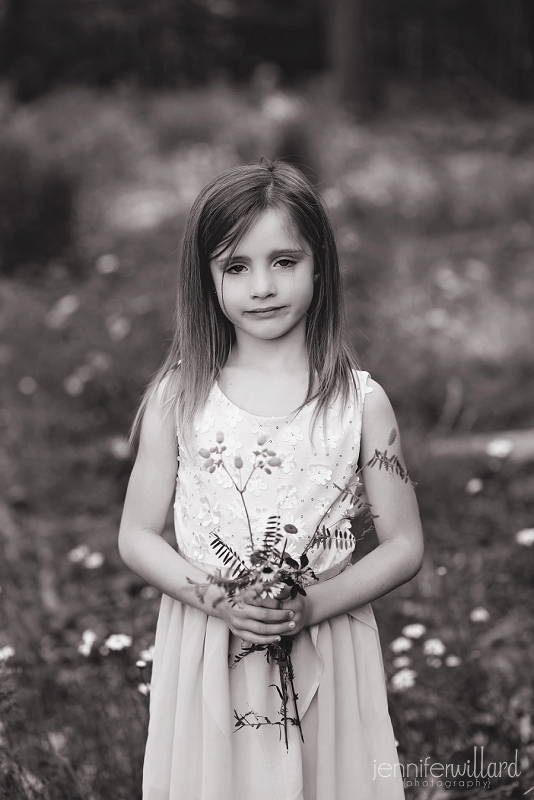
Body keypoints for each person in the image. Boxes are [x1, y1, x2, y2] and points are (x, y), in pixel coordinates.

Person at [118, 159, 424, 800]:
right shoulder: (181, 397)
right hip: (210, 640)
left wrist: (311, 607)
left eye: (284, 261)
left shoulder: (359, 404)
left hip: (328, 638)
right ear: (207, 279)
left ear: (321, 265)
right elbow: (138, 535)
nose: (262, 285)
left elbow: (403, 545)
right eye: (236, 266)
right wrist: (219, 599)